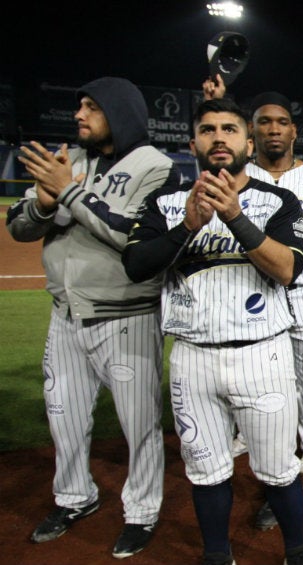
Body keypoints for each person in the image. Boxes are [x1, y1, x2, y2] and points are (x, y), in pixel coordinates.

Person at [122, 97, 303, 565]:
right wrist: (186, 228)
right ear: (193, 143)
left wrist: (233, 215)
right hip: (192, 357)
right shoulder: (166, 204)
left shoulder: (278, 201)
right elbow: (135, 266)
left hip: (262, 354)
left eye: (230, 129)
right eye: (208, 130)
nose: (219, 137)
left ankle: (296, 551)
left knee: (278, 469)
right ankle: (216, 554)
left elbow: (288, 269)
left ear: (247, 142)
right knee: (205, 470)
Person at [8, 76, 173, 559]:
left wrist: (68, 195)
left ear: (119, 112)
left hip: (128, 318)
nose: (79, 114)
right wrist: (43, 200)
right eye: (79, 105)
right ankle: (75, 497)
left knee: (140, 426)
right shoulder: (71, 161)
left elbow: (133, 235)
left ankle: (142, 511)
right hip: (65, 316)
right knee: (63, 417)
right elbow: (17, 225)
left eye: (91, 107)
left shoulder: (157, 168)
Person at [202, 77, 303, 537]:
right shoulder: (233, 179)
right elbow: (211, 135)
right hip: (254, 301)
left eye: (283, 122)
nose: (274, 129)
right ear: (251, 134)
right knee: (271, 403)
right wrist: (215, 100)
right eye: (264, 123)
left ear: (295, 131)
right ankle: (279, 492)